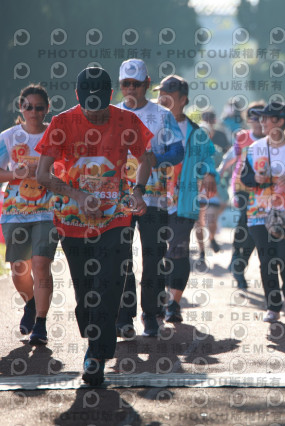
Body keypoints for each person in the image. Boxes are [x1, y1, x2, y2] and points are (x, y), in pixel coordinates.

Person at [36, 67, 154, 386]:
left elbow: (145, 158)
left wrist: (138, 191)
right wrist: (76, 194)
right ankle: (94, 341)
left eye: (100, 104)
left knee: (109, 285)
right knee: (86, 290)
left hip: (115, 218)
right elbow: (42, 174)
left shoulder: (127, 120)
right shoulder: (61, 123)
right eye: (88, 104)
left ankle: (96, 356)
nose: (94, 110)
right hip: (73, 221)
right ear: (77, 96)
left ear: (110, 95)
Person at [115, 59, 185, 338]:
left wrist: (156, 158)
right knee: (121, 258)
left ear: (147, 83)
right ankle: (124, 316)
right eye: (126, 84)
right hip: (119, 198)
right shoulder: (112, 114)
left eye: (136, 84)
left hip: (154, 198)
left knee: (153, 257)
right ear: (120, 85)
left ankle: (151, 313)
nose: (131, 89)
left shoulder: (161, 115)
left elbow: (178, 151)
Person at [241, 101, 285, 323]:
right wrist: (255, 178)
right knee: (267, 259)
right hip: (258, 212)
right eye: (260, 118)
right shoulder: (255, 148)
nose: (261, 122)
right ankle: (273, 306)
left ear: (280, 121)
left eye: (266, 118)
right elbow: (244, 177)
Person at [154, 74, 218, 323]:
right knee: (157, 252)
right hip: (153, 198)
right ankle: (157, 301)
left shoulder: (195, 132)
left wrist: (210, 173)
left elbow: (207, 158)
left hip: (184, 200)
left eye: (169, 94)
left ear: (183, 99)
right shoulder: (151, 124)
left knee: (178, 250)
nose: (163, 98)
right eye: (161, 94)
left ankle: (174, 303)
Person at [0, 84, 58, 345]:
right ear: (21, 108)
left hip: (47, 210)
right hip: (15, 211)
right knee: (18, 269)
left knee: (41, 264)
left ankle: (41, 324)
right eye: (28, 107)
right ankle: (31, 303)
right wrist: (15, 174)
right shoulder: (8, 138)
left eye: (39, 107)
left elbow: (68, 168)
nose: (34, 112)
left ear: (47, 109)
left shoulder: (56, 136)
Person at [219, 101, 265, 289]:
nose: (258, 121)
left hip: (264, 190)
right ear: (248, 119)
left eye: (262, 117)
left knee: (254, 227)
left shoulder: (272, 138)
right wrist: (221, 171)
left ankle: (238, 260)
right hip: (242, 187)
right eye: (254, 117)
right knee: (246, 223)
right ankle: (238, 262)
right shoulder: (243, 137)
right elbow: (232, 156)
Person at [195, 113, 230, 258]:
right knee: (198, 223)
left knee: (211, 220)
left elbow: (222, 172)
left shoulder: (216, 152)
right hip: (196, 192)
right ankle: (202, 250)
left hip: (213, 192)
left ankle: (211, 238)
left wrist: (222, 191)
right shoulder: (191, 152)